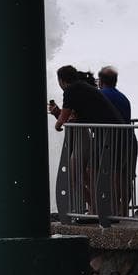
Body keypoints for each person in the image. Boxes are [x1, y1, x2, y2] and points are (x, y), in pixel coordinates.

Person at [49, 65, 123, 223]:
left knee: (78, 175)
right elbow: (73, 117)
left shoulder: (72, 90)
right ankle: (97, 209)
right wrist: (59, 114)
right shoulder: (83, 88)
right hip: (109, 133)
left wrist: (57, 122)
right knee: (88, 175)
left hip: (104, 135)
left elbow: (65, 119)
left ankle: (96, 210)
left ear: (61, 80)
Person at [98, 66, 136, 216]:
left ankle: (113, 210)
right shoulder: (123, 97)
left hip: (112, 140)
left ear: (101, 81)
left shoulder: (100, 95)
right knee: (124, 176)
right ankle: (124, 210)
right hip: (128, 138)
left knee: (113, 174)